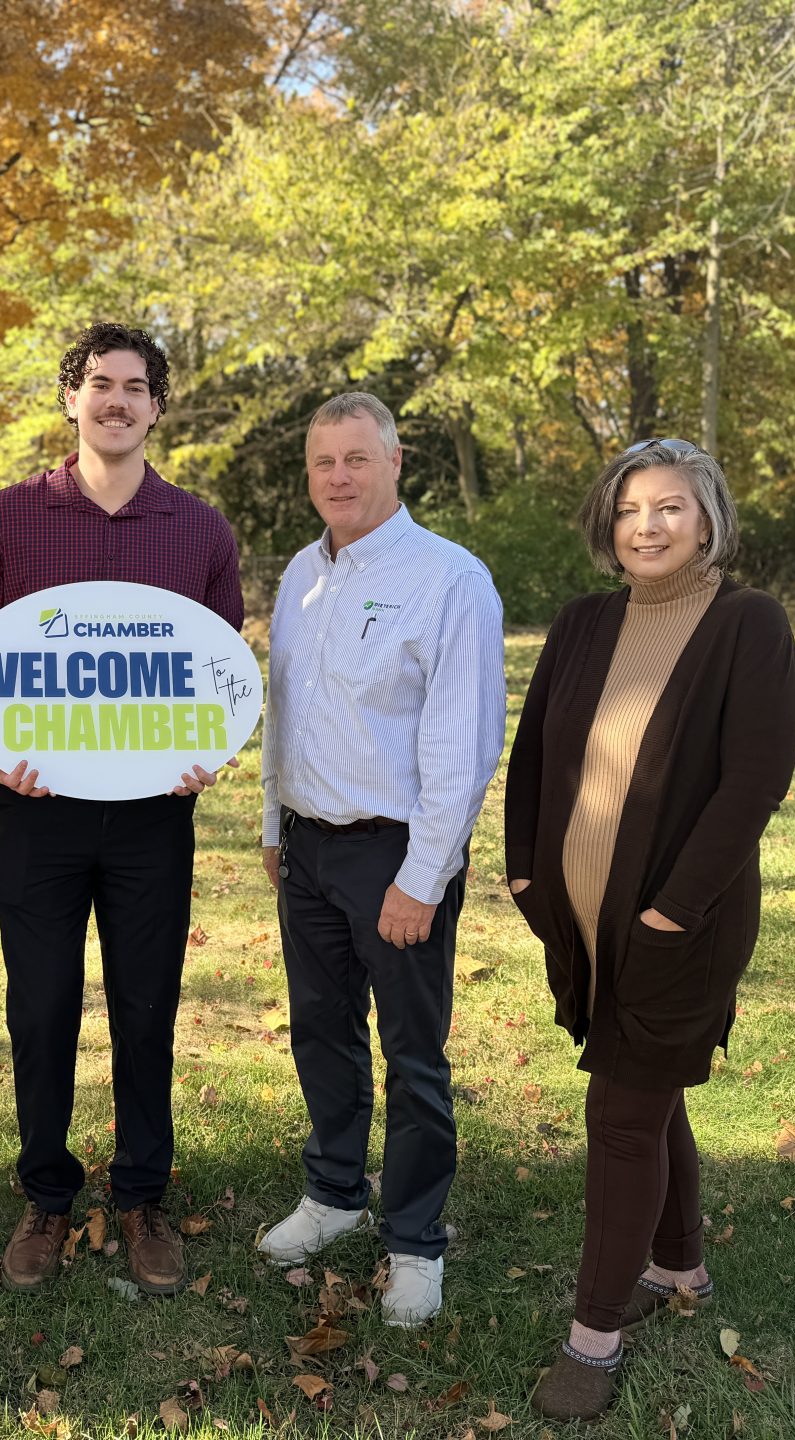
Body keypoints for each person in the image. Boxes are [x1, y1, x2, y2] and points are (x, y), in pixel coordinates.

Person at [505, 439, 795, 1419]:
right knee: (651, 1086)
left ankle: (593, 1339)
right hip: (581, 924)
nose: (648, 525)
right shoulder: (584, 623)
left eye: (670, 506)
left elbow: (752, 785)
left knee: (623, 1112)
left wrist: (672, 911)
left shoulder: (748, 625)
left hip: (685, 927)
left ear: (708, 518)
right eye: (630, 509)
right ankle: (679, 1268)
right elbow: (535, 755)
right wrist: (524, 873)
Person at [0, 322, 244, 1296]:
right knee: (40, 1011)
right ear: (70, 398)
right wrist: (2, 748)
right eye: (99, 383)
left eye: (135, 386)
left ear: (157, 406)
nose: (116, 400)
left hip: (154, 814)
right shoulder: (10, 518)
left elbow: (218, 674)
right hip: (41, 812)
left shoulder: (200, 530)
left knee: (145, 1007)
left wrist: (206, 753)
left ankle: (141, 1195)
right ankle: (46, 1194)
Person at [256, 393, 506, 1325]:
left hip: (395, 854)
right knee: (322, 1033)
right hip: (309, 848)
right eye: (324, 462)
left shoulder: (449, 580)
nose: (339, 477)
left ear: (396, 462)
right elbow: (284, 710)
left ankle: (414, 1242)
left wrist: (422, 875)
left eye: (357, 458)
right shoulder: (299, 576)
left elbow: (464, 745)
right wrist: (276, 825)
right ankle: (333, 1195)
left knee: (412, 1054)